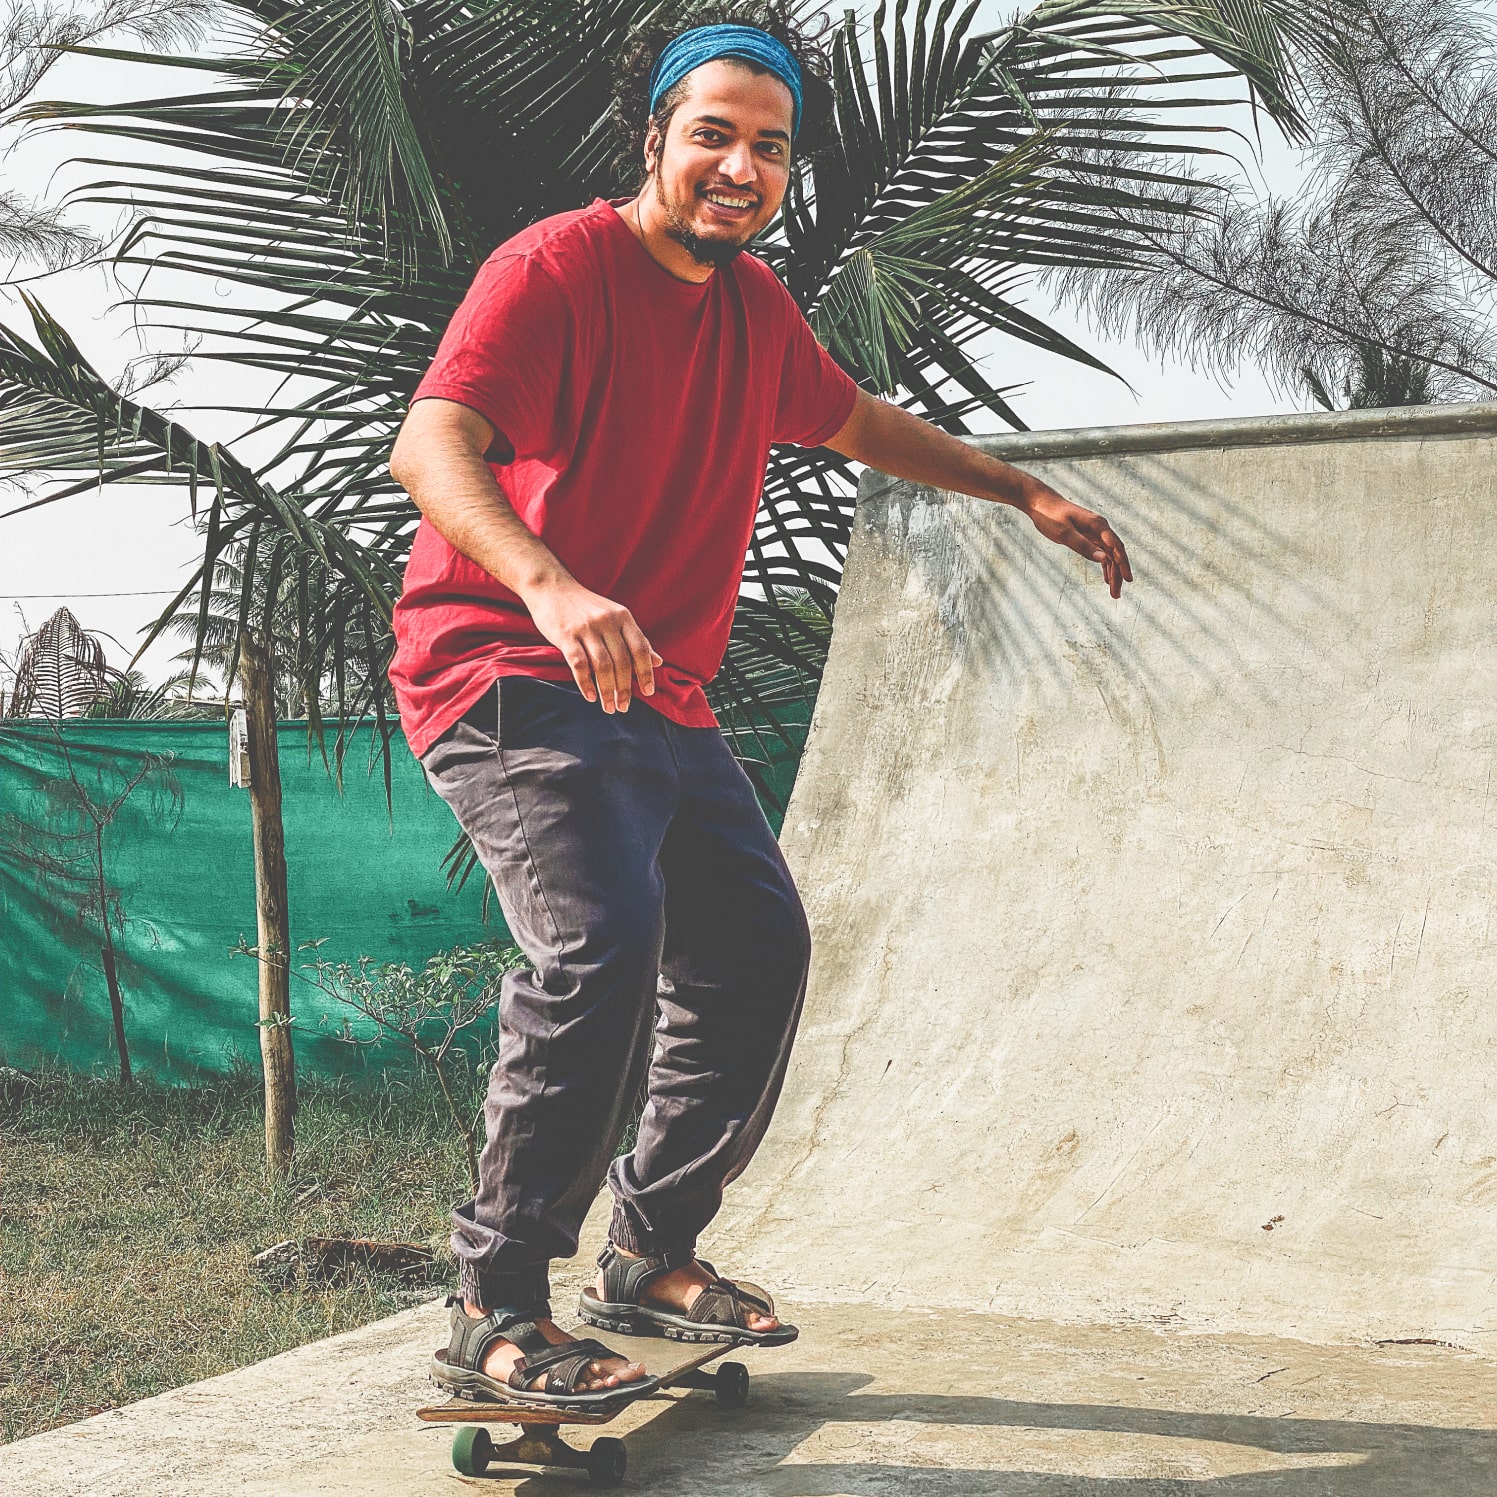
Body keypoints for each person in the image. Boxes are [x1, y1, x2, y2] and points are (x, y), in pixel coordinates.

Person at [388, 9, 1131, 1409]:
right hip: (503, 671)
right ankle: (493, 1300)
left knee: (751, 946)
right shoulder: (554, 266)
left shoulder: (751, 311)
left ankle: (648, 1248)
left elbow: (856, 421)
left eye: (769, 147)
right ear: (654, 136)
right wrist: (551, 587)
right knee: (598, 944)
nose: (740, 166)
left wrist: (1020, 489)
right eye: (713, 134)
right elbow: (431, 440)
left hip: (654, 697)